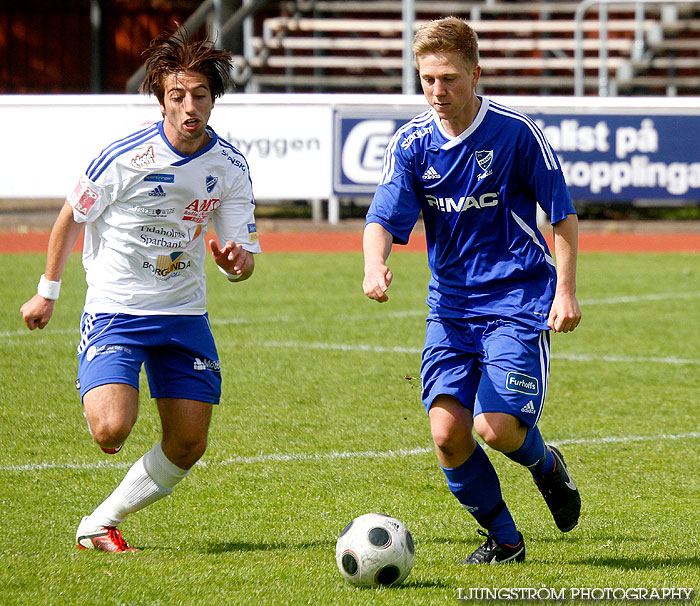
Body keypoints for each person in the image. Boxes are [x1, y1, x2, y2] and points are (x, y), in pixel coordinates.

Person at [20, 27, 261, 553]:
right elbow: (70, 218)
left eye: (200, 94)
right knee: (111, 431)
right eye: (178, 96)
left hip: (184, 315)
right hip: (116, 309)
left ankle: (99, 522)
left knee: (189, 442)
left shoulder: (230, 167)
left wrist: (234, 263)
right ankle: (97, 368)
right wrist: (48, 290)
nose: (189, 106)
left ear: (214, 98)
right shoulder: (123, 157)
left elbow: (240, 258)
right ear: (161, 99)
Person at [363, 17, 581, 565]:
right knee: (448, 435)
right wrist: (374, 265)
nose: (439, 92)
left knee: (495, 426)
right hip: (452, 308)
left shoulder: (515, 132)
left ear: (476, 74)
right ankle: (505, 540)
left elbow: (562, 216)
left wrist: (566, 292)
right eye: (428, 79)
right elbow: (383, 218)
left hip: (517, 299)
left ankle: (546, 464)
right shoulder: (413, 143)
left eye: (451, 79)